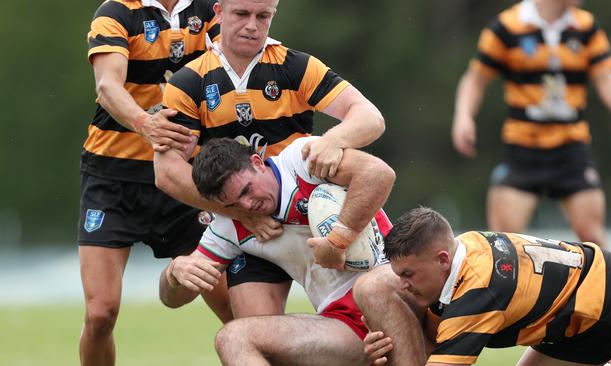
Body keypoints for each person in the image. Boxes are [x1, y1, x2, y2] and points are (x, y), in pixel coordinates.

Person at [154, 0, 385, 319]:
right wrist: (239, 212)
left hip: (312, 214)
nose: (252, 25)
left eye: (263, 16)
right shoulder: (188, 83)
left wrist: (335, 139)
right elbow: (167, 172)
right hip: (249, 226)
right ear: (218, 12)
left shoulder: (296, 66)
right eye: (241, 14)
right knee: (250, 331)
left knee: (372, 320)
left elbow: (370, 117)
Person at [78, 1, 229, 366]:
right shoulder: (116, 12)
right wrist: (147, 125)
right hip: (113, 177)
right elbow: (107, 86)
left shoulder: (210, 9)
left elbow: (231, 68)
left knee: (234, 308)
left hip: (185, 176)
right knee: (101, 314)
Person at [160, 136, 395, 365]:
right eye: (231, 205)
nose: (247, 206)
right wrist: (174, 273)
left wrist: (337, 241)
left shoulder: (300, 161)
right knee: (232, 338)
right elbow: (173, 299)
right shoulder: (229, 225)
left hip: (392, 290)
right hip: (346, 324)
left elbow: (377, 173)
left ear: (257, 162)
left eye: (246, 191)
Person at [451, 0, 611, 248]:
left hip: (571, 145)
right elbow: (475, 79)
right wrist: (463, 116)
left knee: (593, 238)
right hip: (523, 146)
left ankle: (604, 286)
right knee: (503, 244)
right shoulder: (507, 26)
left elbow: (604, 74)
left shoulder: (586, 26)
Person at [354, 207, 611, 366]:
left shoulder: (477, 292)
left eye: (408, 274)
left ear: (442, 259)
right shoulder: (464, 250)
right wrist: (384, 352)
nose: (403, 286)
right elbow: (433, 343)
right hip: (580, 330)